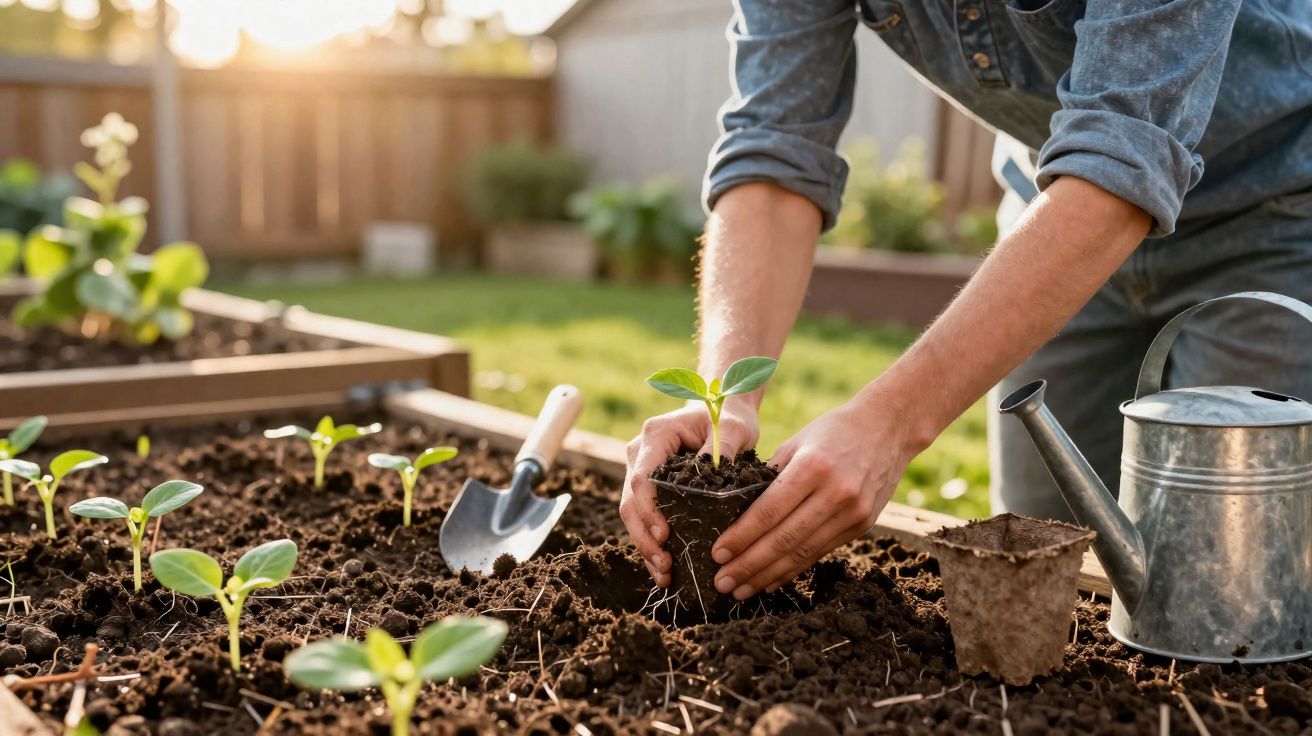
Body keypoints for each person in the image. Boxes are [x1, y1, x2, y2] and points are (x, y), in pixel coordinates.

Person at [620, 0, 1312, 602]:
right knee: (1043, 565)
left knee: (1235, 596)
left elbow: (1127, 145)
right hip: (1056, 217)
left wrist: (887, 424)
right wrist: (724, 398)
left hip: (1273, 206)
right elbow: (773, 146)